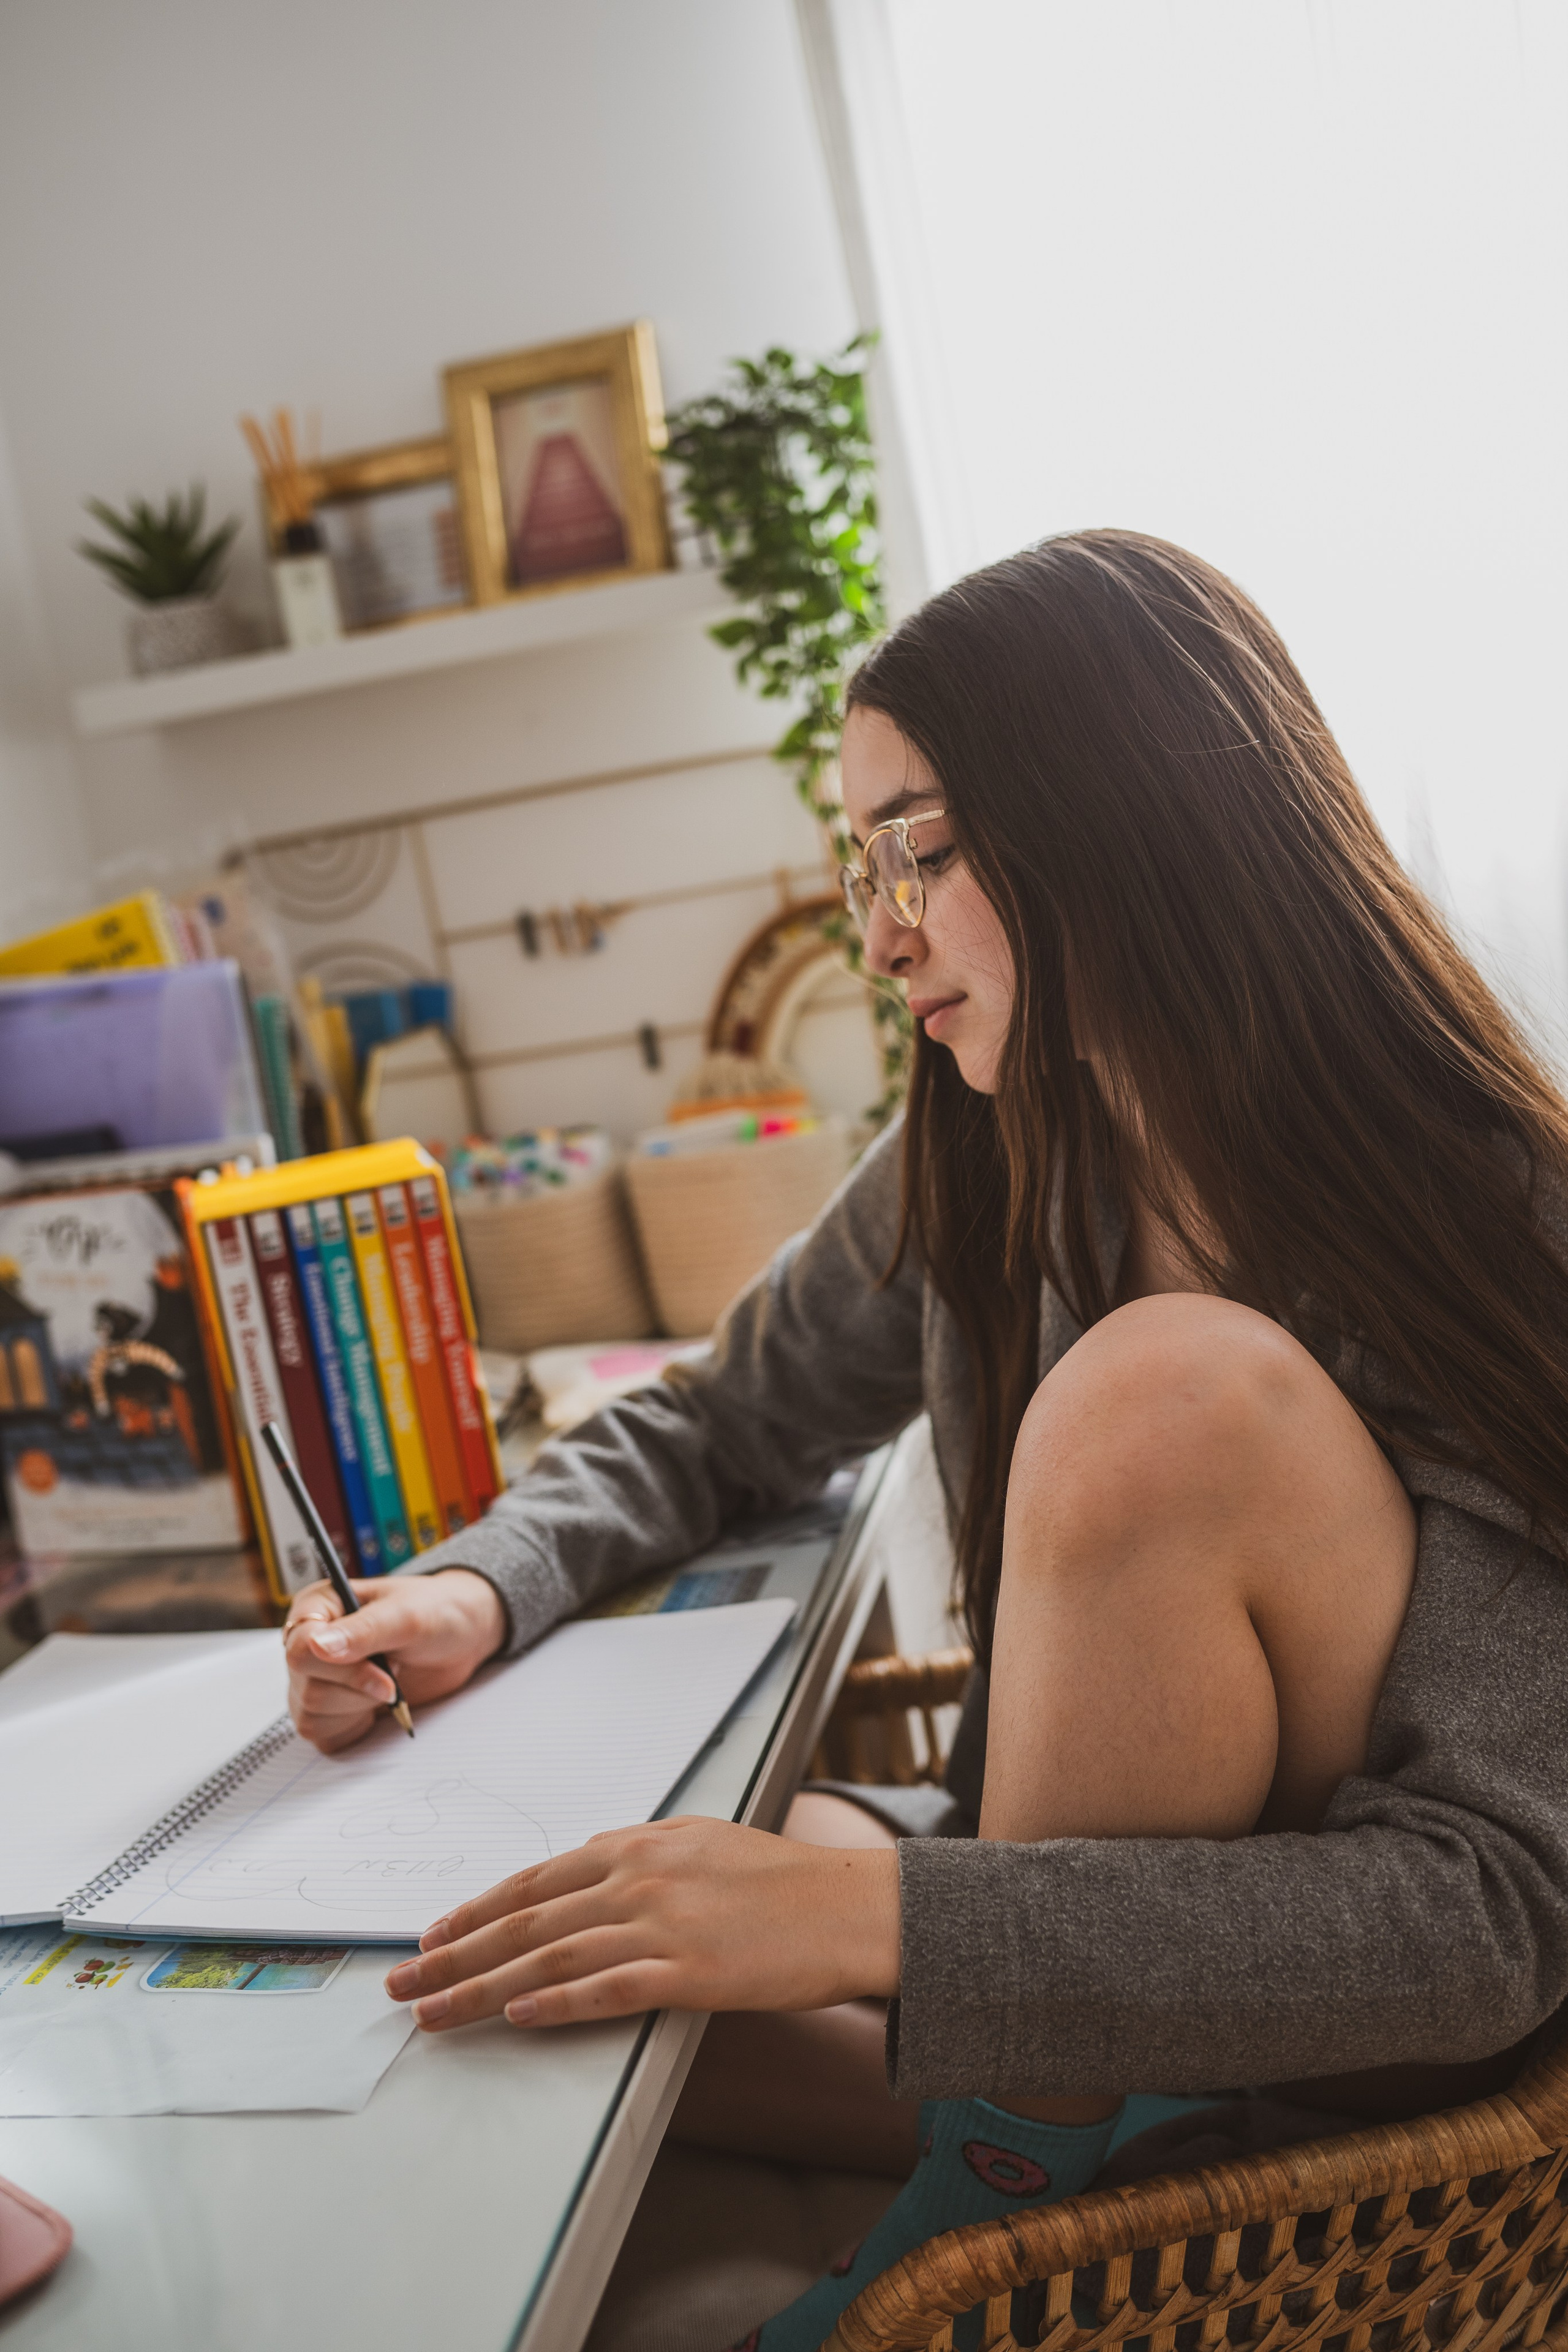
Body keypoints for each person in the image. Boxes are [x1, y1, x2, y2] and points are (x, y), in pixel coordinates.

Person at [284, 531, 1568, 2350]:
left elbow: (1498, 1919)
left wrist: (876, 1915)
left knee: (1160, 1398)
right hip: (1081, 1991)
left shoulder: (1487, 1210)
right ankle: (1030, 2144)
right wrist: (474, 1593)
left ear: (1117, 825)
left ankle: (991, 2244)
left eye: (925, 853)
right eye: (860, 863)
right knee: (531, 1924)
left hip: (1353, 2072)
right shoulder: (1000, 1138)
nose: (880, 935)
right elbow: (721, 1420)